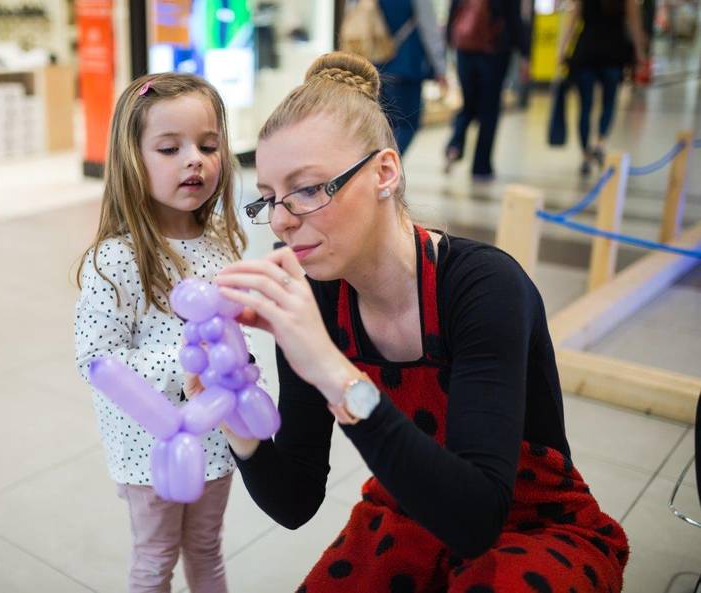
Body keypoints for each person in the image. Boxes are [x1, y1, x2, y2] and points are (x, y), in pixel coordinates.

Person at [217, 52, 629, 592]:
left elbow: (477, 520)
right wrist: (240, 430)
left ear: (385, 172)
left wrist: (327, 365)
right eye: (269, 198)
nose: (281, 220)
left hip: (533, 521)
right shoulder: (317, 293)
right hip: (406, 505)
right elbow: (295, 501)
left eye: (310, 188)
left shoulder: (482, 286)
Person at [74, 73, 247, 593]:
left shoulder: (221, 245)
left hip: (217, 438)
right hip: (146, 447)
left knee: (206, 549)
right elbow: (95, 358)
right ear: (133, 161)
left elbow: (229, 335)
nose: (194, 158)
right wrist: (187, 359)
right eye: (170, 148)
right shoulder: (116, 259)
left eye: (208, 145)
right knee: (154, 559)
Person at [443, 0, 531, 180]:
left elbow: (453, 10)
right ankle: (481, 167)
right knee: (489, 110)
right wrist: (525, 54)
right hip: (494, 51)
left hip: (465, 48)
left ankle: (455, 145)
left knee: (468, 103)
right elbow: (514, 18)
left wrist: (448, 41)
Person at [558, 0, 646, 176]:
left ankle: (585, 155)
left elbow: (572, 21)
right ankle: (600, 143)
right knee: (609, 103)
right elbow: (635, 24)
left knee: (585, 107)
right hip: (613, 53)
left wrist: (562, 49)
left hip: (586, 52)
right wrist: (639, 52)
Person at [375, 0, 448, 155]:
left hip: (376, 65)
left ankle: (377, 168)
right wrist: (440, 68)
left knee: (385, 124)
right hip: (406, 66)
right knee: (407, 124)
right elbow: (430, 30)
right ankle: (384, 168)